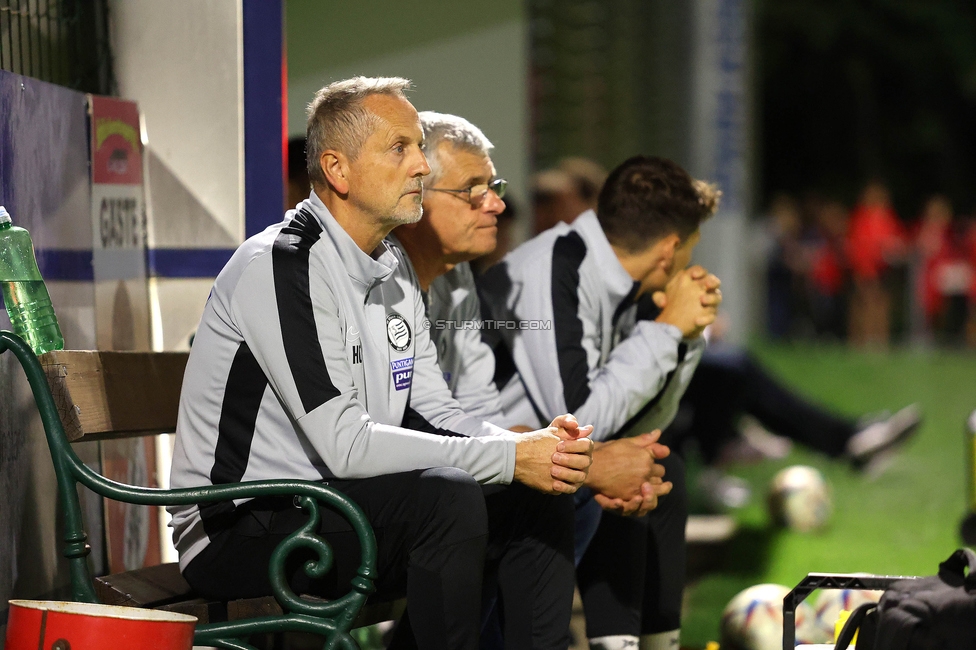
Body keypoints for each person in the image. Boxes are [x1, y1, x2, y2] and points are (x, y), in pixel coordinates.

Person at [168, 77, 595, 650]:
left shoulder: (389, 263)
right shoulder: (283, 263)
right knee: (448, 498)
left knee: (530, 494)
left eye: (419, 146)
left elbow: (434, 410)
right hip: (240, 525)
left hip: (333, 504)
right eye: (400, 148)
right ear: (338, 171)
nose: (421, 166)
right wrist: (506, 455)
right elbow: (344, 442)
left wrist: (533, 449)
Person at [479, 155, 722, 650]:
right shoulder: (554, 266)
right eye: (692, 248)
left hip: (547, 456)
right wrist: (667, 331)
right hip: (492, 457)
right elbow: (580, 420)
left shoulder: (627, 282)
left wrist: (685, 338)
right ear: (671, 248)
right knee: (615, 473)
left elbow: (647, 421)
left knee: (656, 468)